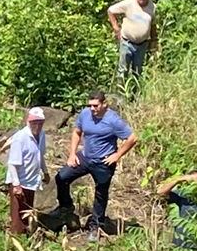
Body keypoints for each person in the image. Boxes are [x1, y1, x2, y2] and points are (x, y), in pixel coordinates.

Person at [55, 91, 137, 237]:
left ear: (104, 104)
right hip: (85, 157)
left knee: (101, 193)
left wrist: (117, 155)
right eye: (90, 105)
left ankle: (96, 225)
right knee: (62, 177)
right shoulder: (85, 114)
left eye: (95, 106)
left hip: (103, 161)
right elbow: (77, 132)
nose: (92, 109)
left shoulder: (113, 120)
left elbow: (132, 138)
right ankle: (66, 206)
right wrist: (72, 154)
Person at [4, 107, 48, 235]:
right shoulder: (20, 138)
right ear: (28, 122)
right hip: (20, 181)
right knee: (18, 218)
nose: (37, 125)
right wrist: (16, 185)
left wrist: (45, 172)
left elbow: (40, 155)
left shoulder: (42, 135)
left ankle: (26, 238)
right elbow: (12, 164)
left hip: (32, 181)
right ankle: (16, 241)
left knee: (28, 212)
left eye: (40, 122)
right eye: (35, 122)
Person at [107, 0, 157, 86]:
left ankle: (135, 97)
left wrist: (154, 41)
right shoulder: (129, 4)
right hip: (127, 42)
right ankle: (121, 96)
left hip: (142, 45)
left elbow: (153, 24)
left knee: (137, 72)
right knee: (122, 71)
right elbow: (111, 11)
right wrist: (116, 29)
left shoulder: (152, 7)